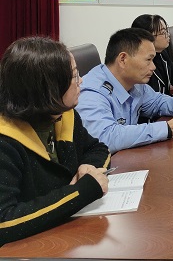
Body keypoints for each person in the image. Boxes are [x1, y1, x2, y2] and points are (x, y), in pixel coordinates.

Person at [0, 37, 110, 245]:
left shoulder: (62, 115)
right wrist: (81, 192)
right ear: (48, 88)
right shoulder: (5, 142)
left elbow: (97, 148)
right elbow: (4, 223)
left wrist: (89, 167)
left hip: (65, 235)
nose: (81, 81)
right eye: (74, 76)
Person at [76, 28, 173, 153]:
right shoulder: (91, 93)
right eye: (148, 60)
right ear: (123, 59)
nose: (153, 67)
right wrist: (167, 128)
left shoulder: (134, 83)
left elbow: (157, 101)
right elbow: (106, 138)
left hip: (127, 157)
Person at [131, 14, 173, 98]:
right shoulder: (140, 65)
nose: (168, 35)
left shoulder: (162, 54)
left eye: (167, 31)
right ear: (147, 37)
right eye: (163, 32)